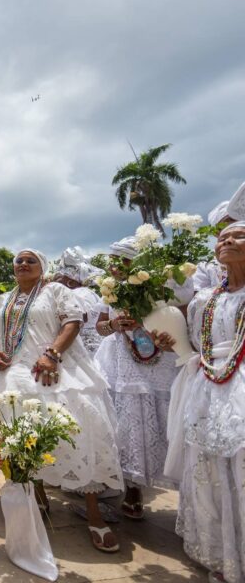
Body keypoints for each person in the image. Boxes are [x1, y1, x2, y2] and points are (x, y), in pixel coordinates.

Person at [0, 249, 123, 552]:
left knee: (76, 432)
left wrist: (51, 355)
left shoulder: (55, 290)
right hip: (13, 374)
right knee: (21, 437)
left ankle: (95, 516)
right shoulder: (1, 299)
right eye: (18, 261)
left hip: (54, 368)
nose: (22, 264)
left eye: (30, 260)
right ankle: (38, 497)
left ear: (42, 268)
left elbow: (72, 322)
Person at [94, 237, 183, 520]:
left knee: (161, 417)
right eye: (112, 260)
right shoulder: (109, 291)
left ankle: (184, 488)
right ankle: (132, 488)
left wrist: (143, 323)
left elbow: (175, 319)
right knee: (124, 418)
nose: (113, 265)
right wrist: (115, 324)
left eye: (120, 259)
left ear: (136, 263)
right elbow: (100, 327)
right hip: (120, 359)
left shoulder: (160, 286)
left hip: (158, 358)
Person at [176, 221, 245, 582]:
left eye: (239, 236)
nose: (229, 241)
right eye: (222, 238)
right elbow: (194, 344)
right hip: (209, 382)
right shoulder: (205, 300)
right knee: (211, 468)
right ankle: (224, 556)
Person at [52, 247, 105, 355]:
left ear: (70, 282)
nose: (54, 284)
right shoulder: (86, 293)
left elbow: (79, 317)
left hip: (84, 352)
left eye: (58, 280)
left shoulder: (80, 293)